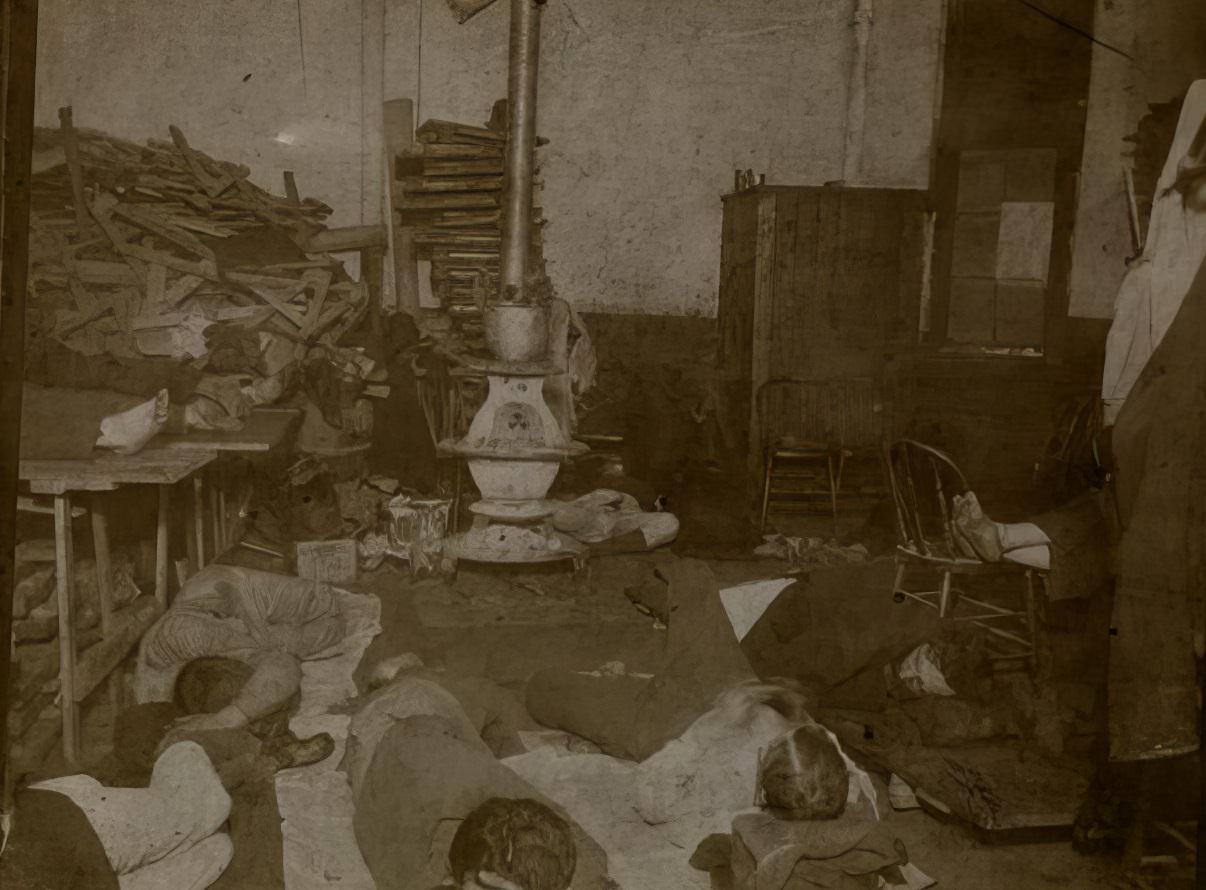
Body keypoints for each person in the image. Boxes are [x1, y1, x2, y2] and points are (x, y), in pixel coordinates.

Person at [343, 667, 612, 890]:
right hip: (392, 718)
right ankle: (401, 670)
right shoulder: (411, 860)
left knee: (496, 710)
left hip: (436, 752)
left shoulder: (499, 797)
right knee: (420, 685)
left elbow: (582, 850)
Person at [135, 564, 346, 733]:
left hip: (314, 606)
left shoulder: (195, 634)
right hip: (217, 605)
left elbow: (285, 666)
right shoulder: (174, 649)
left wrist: (231, 717)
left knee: (325, 629)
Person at [2, 741, 233, 890]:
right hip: (56, 872)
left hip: (64, 824)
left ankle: (181, 741)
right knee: (217, 851)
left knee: (202, 806)